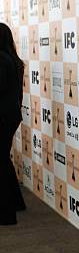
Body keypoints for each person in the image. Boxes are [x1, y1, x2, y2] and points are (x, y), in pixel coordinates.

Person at [0, 22, 26, 225]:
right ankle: (16, 202)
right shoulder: (15, 60)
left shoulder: (1, 60)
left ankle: (6, 214)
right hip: (11, 115)